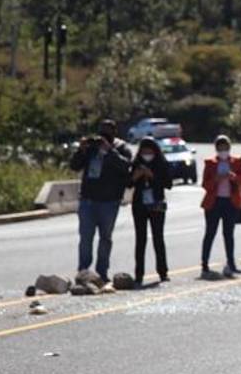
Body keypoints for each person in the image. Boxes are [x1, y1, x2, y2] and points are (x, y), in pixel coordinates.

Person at [67, 119, 133, 283]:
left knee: (105, 237)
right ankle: (83, 271)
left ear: (114, 132)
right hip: (88, 200)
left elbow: (126, 167)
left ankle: (102, 272)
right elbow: (74, 166)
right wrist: (81, 151)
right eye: (101, 131)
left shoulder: (121, 148)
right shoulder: (91, 148)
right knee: (86, 237)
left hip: (109, 201)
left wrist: (109, 151)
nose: (103, 135)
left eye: (107, 131)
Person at [200, 135, 241, 278]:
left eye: (225, 148)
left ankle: (231, 264)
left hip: (231, 202)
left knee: (229, 235)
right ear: (216, 149)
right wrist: (216, 179)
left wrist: (234, 177)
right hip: (214, 202)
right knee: (210, 233)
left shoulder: (237, 162)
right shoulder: (210, 163)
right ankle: (204, 264)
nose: (223, 151)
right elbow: (205, 184)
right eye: (220, 148)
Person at [128, 137, 172, 287]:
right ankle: (138, 274)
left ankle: (163, 271)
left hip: (157, 203)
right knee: (140, 239)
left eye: (150, 151)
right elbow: (128, 183)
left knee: (158, 238)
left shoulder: (161, 163)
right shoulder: (136, 164)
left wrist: (152, 175)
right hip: (139, 204)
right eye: (144, 151)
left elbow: (168, 183)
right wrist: (137, 175)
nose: (147, 153)